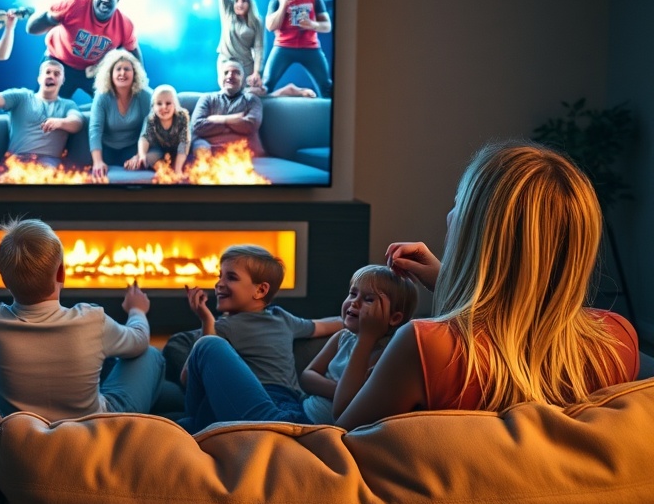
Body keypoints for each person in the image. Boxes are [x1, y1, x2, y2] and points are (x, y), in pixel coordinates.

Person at [338, 140, 640, 430]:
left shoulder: (423, 345)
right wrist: (448, 282)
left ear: (476, 233)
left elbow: (344, 437)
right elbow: (517, 326)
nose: (448, 216)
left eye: (458, 205)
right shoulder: (618, 340)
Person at [0, 217, 166, 422]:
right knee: (150, 354)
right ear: (61, 273)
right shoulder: (92, 321)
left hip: (21, 435)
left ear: (4, 279)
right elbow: (139, 340)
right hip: (95, 428)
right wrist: (137, 310)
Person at [178, 263, 417, 432]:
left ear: (394, 318)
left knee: (209, 346)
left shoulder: (385, 355)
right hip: (293, 408)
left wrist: (366, 338)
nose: (354, 302)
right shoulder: (343, 337)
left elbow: (343, 411)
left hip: (302, 430)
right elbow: (308, 377)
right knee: (196, 415)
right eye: (352, 293)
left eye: (368, 300)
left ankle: (196, 429)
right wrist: (340, 388)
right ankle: (196, 428)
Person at [172, 245, 342, 416]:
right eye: (220, 276)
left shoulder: (282, 318)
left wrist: (357, 317)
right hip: (247, 399)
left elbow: (326, 325)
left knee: (207, 345)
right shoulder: (223, 327)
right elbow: (188, 379)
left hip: (288, 403)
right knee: (208, 344)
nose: (219, 284)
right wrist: (207, 320)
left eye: (231, 277)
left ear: (260, 290)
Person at [26, 0, 142, 103]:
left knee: (114, 102)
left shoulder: (125, 25)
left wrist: (140, 84)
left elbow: (133, 51)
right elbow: (33, 28)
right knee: (44, 104)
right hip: (59, 60)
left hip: (91, 69)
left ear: (117, 1)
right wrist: (47, 19)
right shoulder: (74, 4)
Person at [262, 0, 332, 98]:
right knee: (266, 85)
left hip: (310, 47)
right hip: (283, 47)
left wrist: (312, 24)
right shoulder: (275, 1)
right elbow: (270, 27)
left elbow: (327, 26)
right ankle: (259, 116)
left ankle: (327, 117)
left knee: (327, 87)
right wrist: (283, 5)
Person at [88, 49, 152, 181]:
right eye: (118, 69)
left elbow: (149, 127)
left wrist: (140, 155)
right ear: (110, 74)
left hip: (133, 148)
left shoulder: (145, 95)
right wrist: (98, 161)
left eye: (127, 69)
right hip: (107, 150)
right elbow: (95, 129)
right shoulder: (101, 96)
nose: (122, 73)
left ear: (134, 73)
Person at [190, 59, 265, 156]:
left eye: (236, 73)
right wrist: (231, 120)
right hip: (209, 154)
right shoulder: (207, 98)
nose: (230, 76)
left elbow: (251, 125)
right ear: (219, 78)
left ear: (243, 79)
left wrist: (216, 120)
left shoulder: (252, 100)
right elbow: (197, 126)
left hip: (243, 154)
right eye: (226, 73)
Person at [128, 83, 191, 179]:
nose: (164, 107)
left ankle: (175, 167)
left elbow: (184, 143)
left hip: (180, 149)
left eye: (168, 103)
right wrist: (141, 155)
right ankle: (161, 167)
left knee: (189, 161)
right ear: (153, 106)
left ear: (175, 105)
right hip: (160, 149)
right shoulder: (151, 118)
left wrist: (178, 169)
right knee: (144, 161)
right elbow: (144, 138)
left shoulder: (182, 117)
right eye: (159, 103)